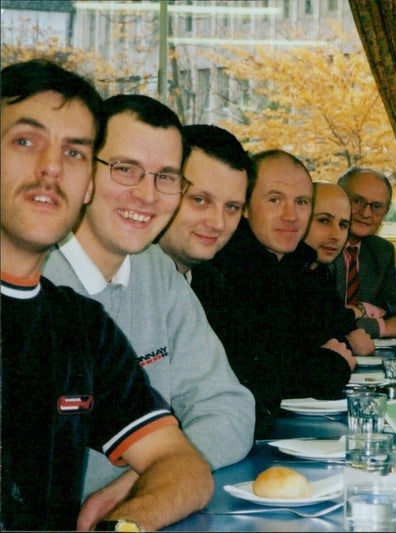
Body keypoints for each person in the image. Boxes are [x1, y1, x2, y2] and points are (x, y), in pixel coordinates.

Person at [1, 59, 212, 531]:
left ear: (88, 183)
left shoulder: (81, 326)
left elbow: (185, 468)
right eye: (25, 141)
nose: (51, 167)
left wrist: (126, 522)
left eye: (74, 152)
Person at [41, 95, 255, 510]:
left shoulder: (157, 271)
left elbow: (227, 407)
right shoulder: (31, 279)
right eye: (125, 170)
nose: (147, 194)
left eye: (166, 177)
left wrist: (159, 476)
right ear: (83, 171)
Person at [205, 150, 355, 439]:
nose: (291, 215)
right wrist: (329, 365)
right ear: (245, 207)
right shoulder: (225, 267)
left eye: (301, 202)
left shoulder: (295, 263)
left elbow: (327, 338)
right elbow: (260, 376)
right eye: (275, 200)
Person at [158, 124, 250, 277]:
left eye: (232, 207)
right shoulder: (115, 278)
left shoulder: (222, 291)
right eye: (199, 200)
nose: (218, 224)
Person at [334, 167, 396, 338]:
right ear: (338, 199)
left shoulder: (381, 251)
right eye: (357, 201)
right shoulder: (319, 245)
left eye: (377, 206)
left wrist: (362, 310)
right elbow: (320, 323)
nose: (366, 213)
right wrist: (382, 326)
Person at [304, 181, 375, 356]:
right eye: (324, 221)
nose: (336, 236)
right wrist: (348, 342)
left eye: (343, 225)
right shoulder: (280, 275)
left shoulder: (320, 273)